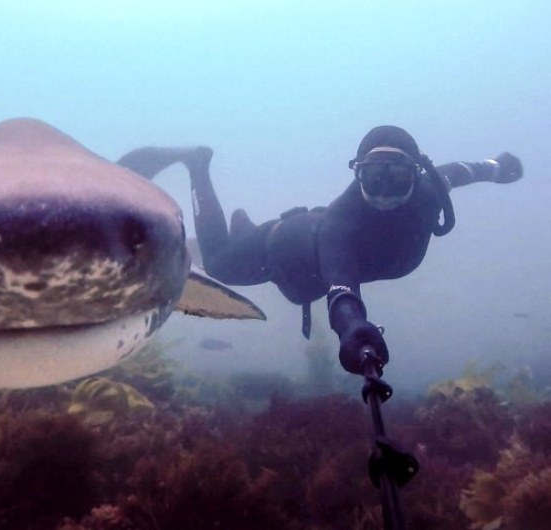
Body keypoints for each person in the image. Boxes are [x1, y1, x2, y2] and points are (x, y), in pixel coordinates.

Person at [117, 126, 523, 375]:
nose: (383, 190)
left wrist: (498, 169)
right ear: (357, 174)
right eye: (373, 176)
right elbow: (341, 286)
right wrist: (352, 327)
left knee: (240, 259)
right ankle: (198, 165)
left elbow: (469, 170)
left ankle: (245, 228)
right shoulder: (341, 224)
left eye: (395, 175)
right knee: (221, 265)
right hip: (282, 251)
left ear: (416, 174)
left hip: (301, 252)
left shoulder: (432, 187)